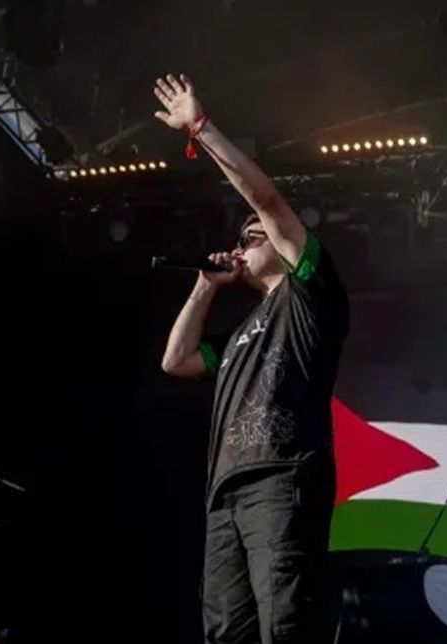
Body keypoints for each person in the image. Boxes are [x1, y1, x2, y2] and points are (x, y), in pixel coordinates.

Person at [155, 74, 349, 644]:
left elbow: (264, 200)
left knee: (285, 624)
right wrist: (204, 287)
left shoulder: (307, 292)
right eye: (240, 239)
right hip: (226, 490)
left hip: (282, 477)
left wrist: (200, 129)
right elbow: (176, 361)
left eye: (252, 237)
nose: (242, 246)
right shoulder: (240, 333)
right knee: (226, 632)